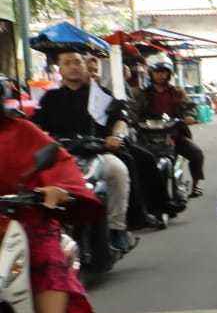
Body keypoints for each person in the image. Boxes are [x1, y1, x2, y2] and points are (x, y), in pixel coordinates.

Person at [2, 96, 99, 313]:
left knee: (47, 258)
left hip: (23, 217)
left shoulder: (23, 131)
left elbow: (58, 163)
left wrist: (55, 190)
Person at [32, 48, 140, 252]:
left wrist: (116, 137)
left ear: (85, 65)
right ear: (59, 69)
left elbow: (120, 120)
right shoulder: (50, 98)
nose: (73, 66)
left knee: (118, 170)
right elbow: (35, 127)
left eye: (77, 62)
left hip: (97, 153)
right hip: (61, 156)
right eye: (67, 63)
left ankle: (117, 228)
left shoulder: (101, 95)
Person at [129, 54, 206, 198]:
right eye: (157, 72)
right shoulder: (141, 94)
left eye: (164, 72)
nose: (161, 75)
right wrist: (131, 119)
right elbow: (132, 110)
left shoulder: (177, 92)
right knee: (135, 159)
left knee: (197, 154)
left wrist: (190, 116)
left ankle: (195, 185)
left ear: (169, 74)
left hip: (174, 135)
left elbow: (189, 107)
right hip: (147, 137)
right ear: (151, 73)